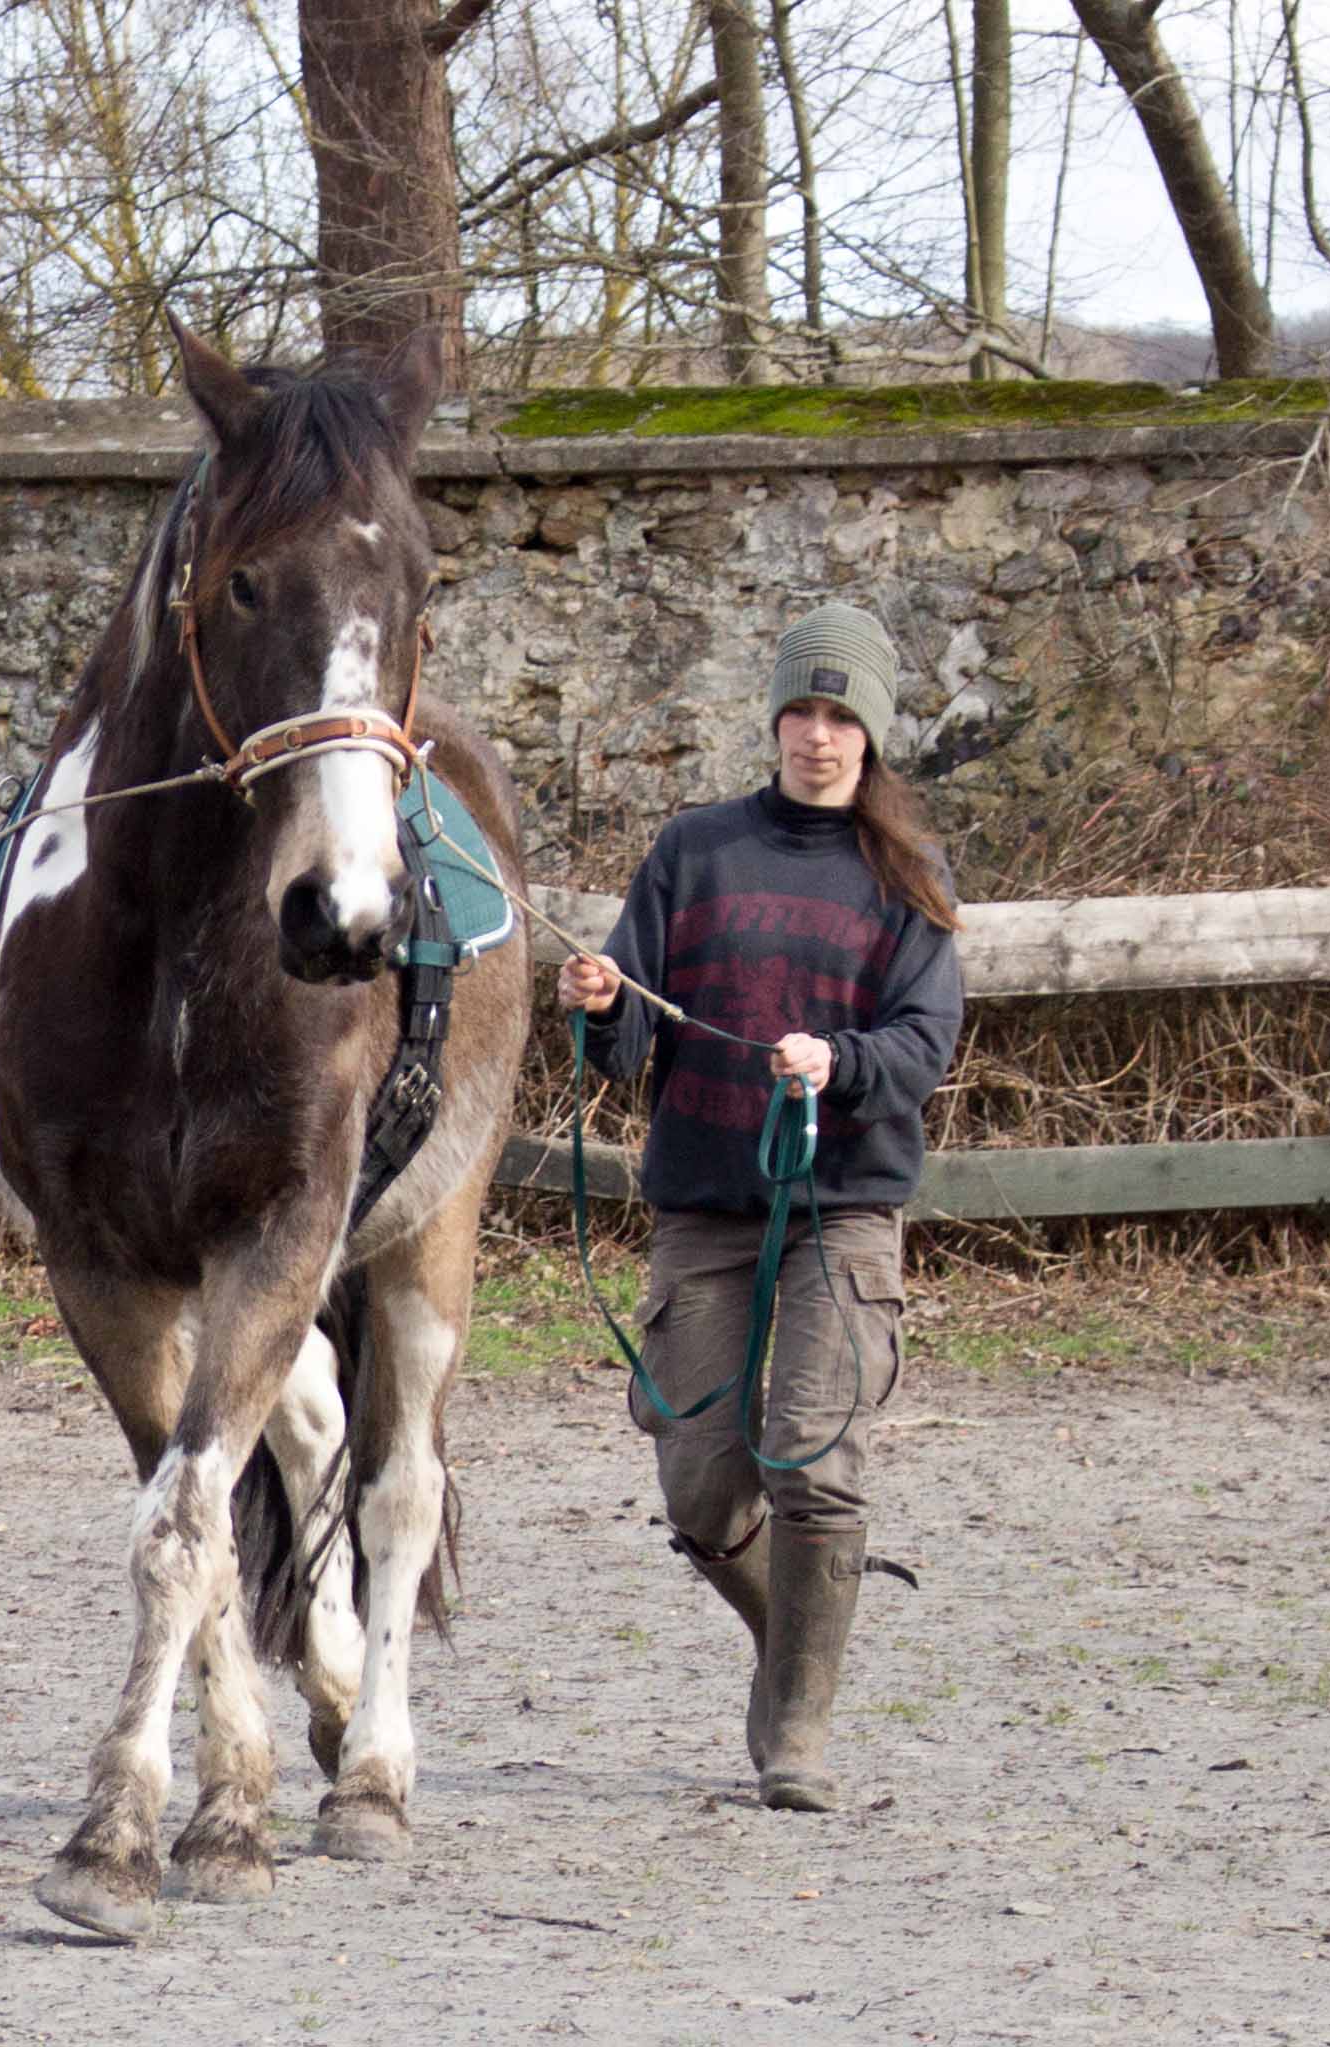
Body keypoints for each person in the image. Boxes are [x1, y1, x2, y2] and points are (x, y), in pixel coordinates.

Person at [556, 600, 965, 1812]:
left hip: (838, 1208)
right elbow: (624, 1043)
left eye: (842, 715)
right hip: (704, 1208)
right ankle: (794, 1630)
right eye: (802, 708)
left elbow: (925, 1039)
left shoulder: (908, 876)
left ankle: (795, 1728)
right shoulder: (693, 851)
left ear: (872, 733)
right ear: (774, 719)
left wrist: (840, 1061)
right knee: (698, 1490)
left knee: (814, 1465)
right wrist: (595, 1000)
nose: (819, 735)